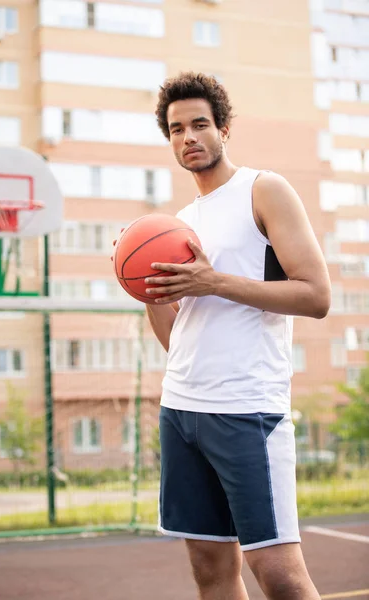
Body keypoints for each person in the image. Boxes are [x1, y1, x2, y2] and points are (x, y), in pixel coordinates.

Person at [116, 72, 331, 600]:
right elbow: (181, 330)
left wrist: (213, 282)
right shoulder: (178, 224)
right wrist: (151, 293)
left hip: (247, 408)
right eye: (175, 129)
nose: (187, 137)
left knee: (278, 574)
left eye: (199, 124)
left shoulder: (264, 190)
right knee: (211, 572)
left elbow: (316, 296)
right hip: (182, 409)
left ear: (224, 129)